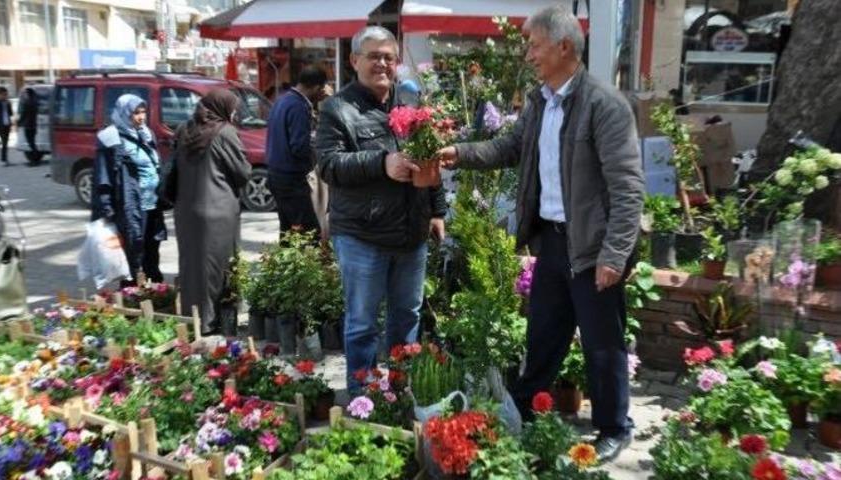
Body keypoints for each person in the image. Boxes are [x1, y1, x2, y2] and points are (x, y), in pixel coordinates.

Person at [437, 6, 644, 463]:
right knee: (544, 334)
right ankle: (525, 412)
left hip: (592, 246)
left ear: (564, 46)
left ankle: (615, 427)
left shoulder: (604, 105)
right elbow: (509, 147)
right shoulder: (540, 102)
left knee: (602, 342)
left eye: (535, 45)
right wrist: (460, 153)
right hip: (551, 241)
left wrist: (615, 254)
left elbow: (628, 188)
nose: (528, 54)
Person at [315, 26, 447, 393]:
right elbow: (328, 165)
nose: (382, 64)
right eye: (374, 56)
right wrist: (380, 163)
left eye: (389, 57)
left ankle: (400, 391)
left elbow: (429, 156)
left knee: (407, 317)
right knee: (362, 323)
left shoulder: (409, 101)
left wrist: (437, 210)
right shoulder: (337, 109)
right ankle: (364, 396)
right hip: (363, 235)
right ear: (354, 60)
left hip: (411, 233)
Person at [173, 89, 251, 335]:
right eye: (233, 108)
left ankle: (194, 319)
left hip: (186, 210)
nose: (235, 113)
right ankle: (214, 321)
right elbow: (243, 172)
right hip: (218, 211)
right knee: (219, 267)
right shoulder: (225, 132)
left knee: (192, 266)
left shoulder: (184, 129)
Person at [93, 94, 166, 286]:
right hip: (130, 206)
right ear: (124, 113)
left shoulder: (146, 134)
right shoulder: (110, 138)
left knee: (151, 252)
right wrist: (107, 208)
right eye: (136, 113)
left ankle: (155, 293)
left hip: (152, 205)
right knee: (133, 255)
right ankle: (131, 295)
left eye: (143, 112)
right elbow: (103, 177)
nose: (141, 117)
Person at [266, 66, 328, 237]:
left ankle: (287, 255)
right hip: (291, 179)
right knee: (308, 233)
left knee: (288, 230)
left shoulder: (282, 99)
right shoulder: (299, 106)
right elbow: (299, 147)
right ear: (317, 87)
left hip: (276, 174)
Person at [18, 88, 41, 165]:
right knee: (32, 142)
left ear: (28, 94)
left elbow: (23, 114)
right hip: (34, 125)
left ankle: (34, 160)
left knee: (31, 143)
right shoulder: (35, 102)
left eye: (25, 93)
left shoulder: (27, 103)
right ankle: (35, 159)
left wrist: (19, 122)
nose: (24, 95)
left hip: (28, 125)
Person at [0, 87, 13, 165]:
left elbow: (11, 114)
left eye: (6, 94)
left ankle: (4, 159)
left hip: (7, 125)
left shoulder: (8, 103)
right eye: (4, 94)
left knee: (5, 142)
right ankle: (4, 159)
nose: (5, 96)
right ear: (0, 95)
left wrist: (9, 105)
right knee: (4, 142)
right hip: (1, 126)